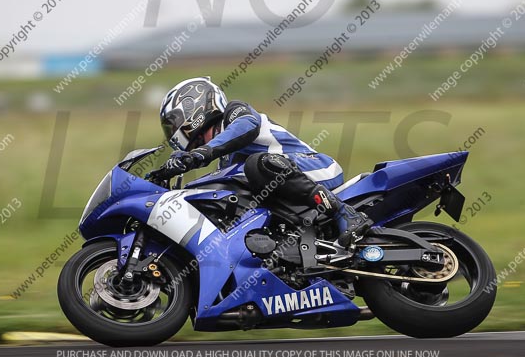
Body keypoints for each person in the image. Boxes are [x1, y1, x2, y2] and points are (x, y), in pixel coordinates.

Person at [158, 77, 372, 247]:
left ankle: (345, 213)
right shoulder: (225, 158)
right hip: (291, 190)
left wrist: (200, 154)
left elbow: (246, 126)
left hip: (318, 168)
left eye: (173, 122)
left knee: (257, 164)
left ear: (194, 107)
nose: (172, 131)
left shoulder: (234, 114)